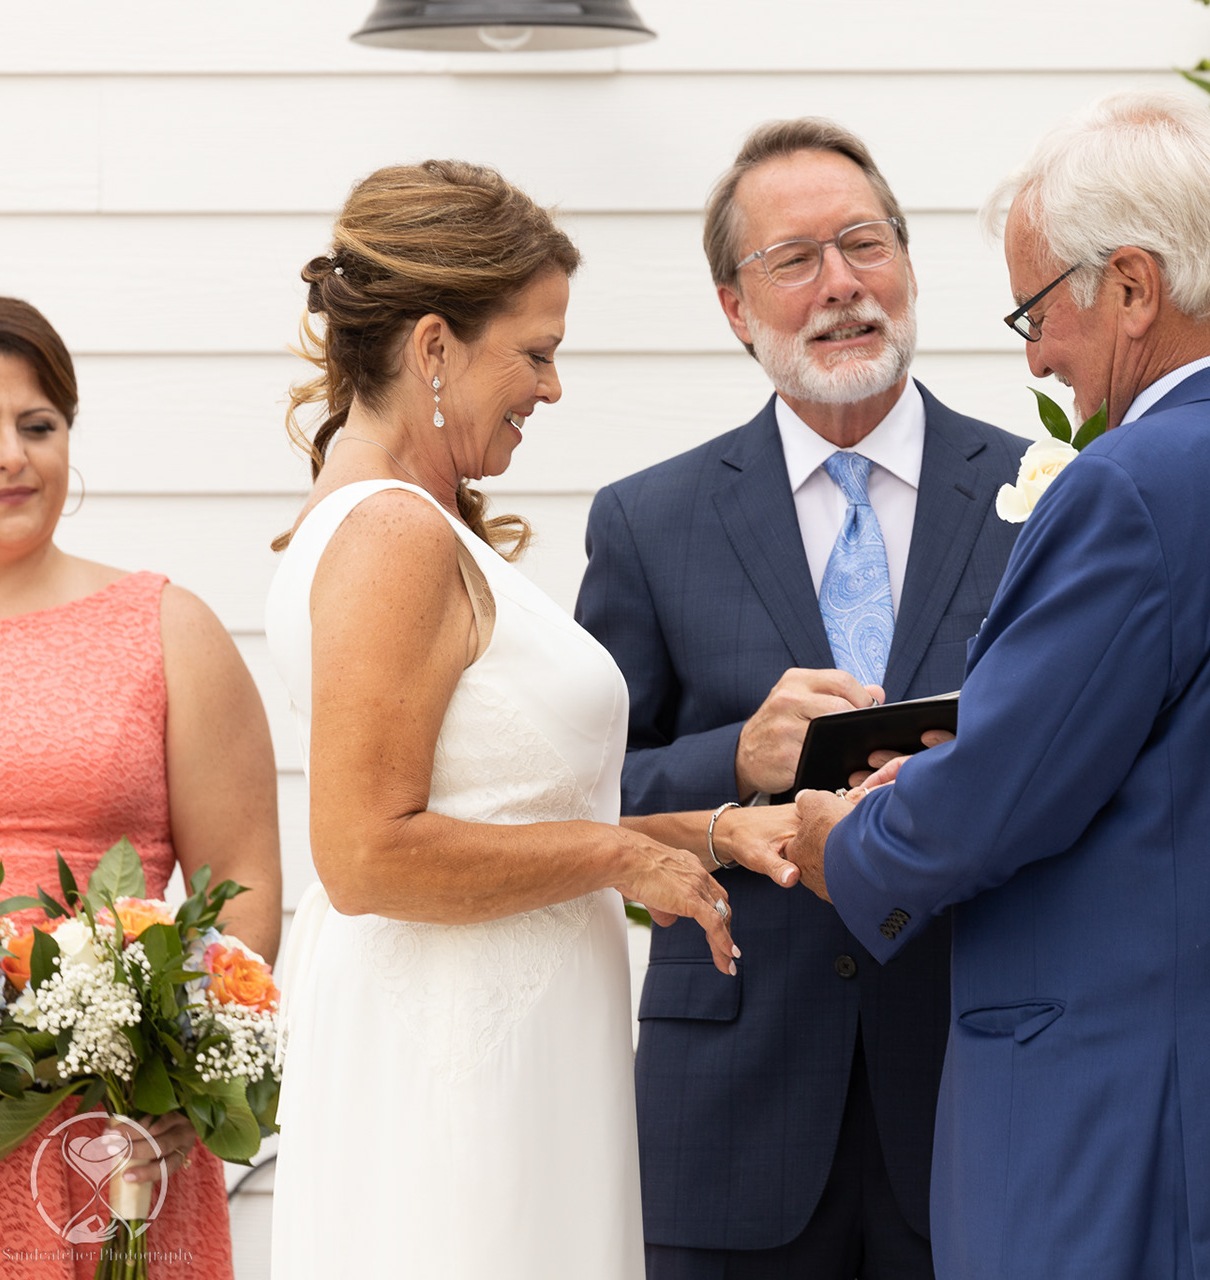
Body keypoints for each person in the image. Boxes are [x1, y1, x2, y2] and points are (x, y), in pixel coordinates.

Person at [785, 91, 1210, 1279]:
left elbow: (999, 791)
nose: (1035, 354)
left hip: (1130, 1147)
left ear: (1132, 286)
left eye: (1037, 308)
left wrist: (846, 837)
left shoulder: (1134, 485)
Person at [264, 160, 796, 1280]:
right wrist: (620, 857)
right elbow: (365, 853)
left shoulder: (412, 521)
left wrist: (706, 833)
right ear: (434, 347)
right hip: (454, 1072)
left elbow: (496, 812)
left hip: (519, 1058)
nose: (551, 388)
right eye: (536, 352)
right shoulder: (393, 536)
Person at [575, 119, 1027, 1279]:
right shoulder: (648, 522)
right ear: (736, 307)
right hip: (733, 1106)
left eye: (865, 244)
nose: (841, 285)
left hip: (979, 1088)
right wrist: (738, 757)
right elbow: (582, 797)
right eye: (795, 259)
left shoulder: (1044, 495)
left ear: (908, 262)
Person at [0, 294, 282, 1278]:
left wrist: (174, 1073)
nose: (14, 456)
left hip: (113, 1131)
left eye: (39, 425)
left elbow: (240, 882)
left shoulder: (167, 628)